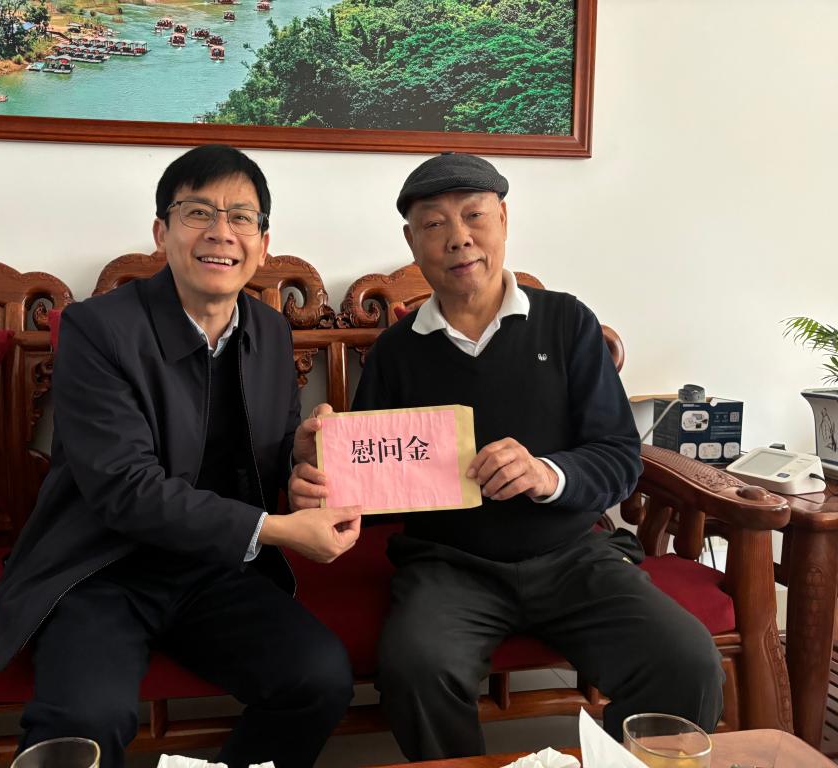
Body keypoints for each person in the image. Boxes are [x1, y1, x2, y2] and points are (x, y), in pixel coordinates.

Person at [289, 152, 725, 761]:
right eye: (434, 224)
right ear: (412, 241)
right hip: (450, 566)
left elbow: (620, 456)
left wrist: (548, 474)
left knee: (686, 661)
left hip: (574, 555)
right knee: (416, 669)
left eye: (474, 215)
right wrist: (320, 470)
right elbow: (371, 484)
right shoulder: (397, 352)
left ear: (503, 220)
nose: (458, 237)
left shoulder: (568, 323)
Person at [0, 144, 361, 768]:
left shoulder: (270, 330)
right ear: (162, 233)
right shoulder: (97, 329)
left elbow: (264, 453)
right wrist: (277, 529)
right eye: (198, 213)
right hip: (100, 569)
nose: (221, 232)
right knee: (82, 725)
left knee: (318, 679)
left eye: (241, 217)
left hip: (214, 569)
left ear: (263, 243)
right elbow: (124, 488)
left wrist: (298, 456)